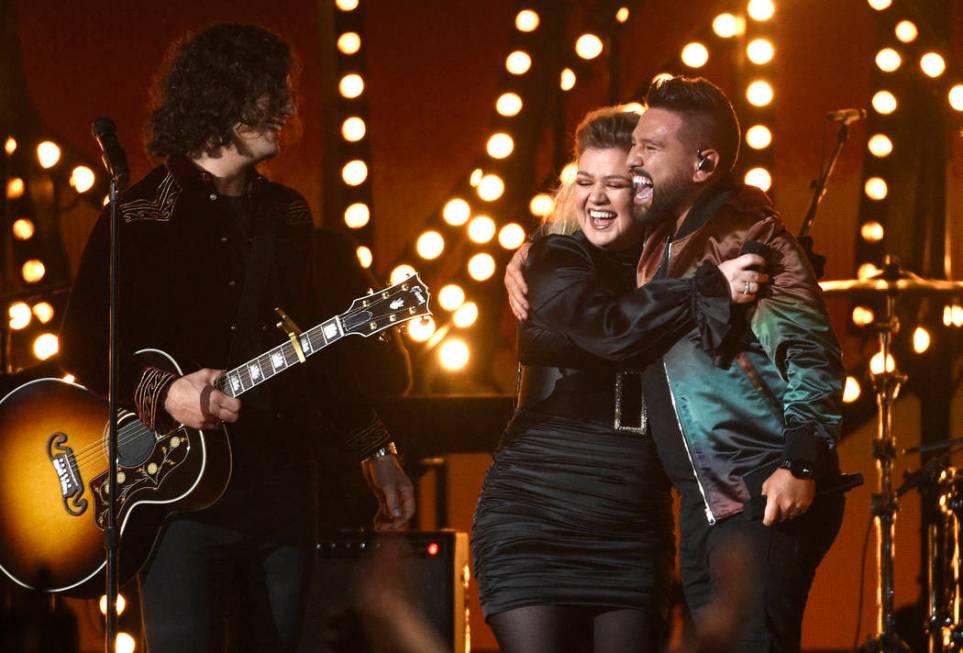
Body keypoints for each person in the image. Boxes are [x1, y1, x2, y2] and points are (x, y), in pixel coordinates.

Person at [59, 24, 415, 652]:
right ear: (221, 98)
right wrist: (166, 394)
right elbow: (86, 347)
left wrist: (375, 447)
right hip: (177, 506)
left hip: (279, 490)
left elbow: (319, 353)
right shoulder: (138, 215)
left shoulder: (288, 214)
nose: (287, 109)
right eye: (269, 93)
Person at [505, 76, 846, 652]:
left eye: (650, 149)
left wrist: (802, 462)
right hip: (706, 500)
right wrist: (529, 254)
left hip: (759, 489)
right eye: (635, 146)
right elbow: (602, 281)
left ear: (703, 162)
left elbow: (811, 355)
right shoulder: (663, 238)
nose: (634, 162)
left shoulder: (747, 235)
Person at [473, 107, 768, 653]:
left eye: (616, 183)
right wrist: (705, 288)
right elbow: (611, 330)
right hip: (535, 515)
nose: (597, 197)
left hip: (632, 525)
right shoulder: (551, 258)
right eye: (584, 181)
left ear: (647, 190)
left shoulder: (673, 265)